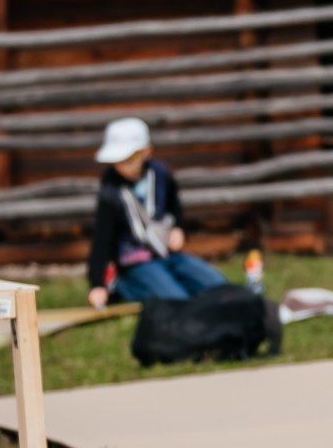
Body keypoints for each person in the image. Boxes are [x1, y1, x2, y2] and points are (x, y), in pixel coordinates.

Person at [85, 117, 230, 308]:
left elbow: (174, 206)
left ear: (146, 152)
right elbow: (102, 238)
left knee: (219, 286)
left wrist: (178, 228)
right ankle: (122, 287)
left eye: (128, 160)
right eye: (117, 161)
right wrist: (97, 284)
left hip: (166, 254)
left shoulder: (161, 173)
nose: (121, 167)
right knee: (176, 300)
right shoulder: (110, 191)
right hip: (135, 263)